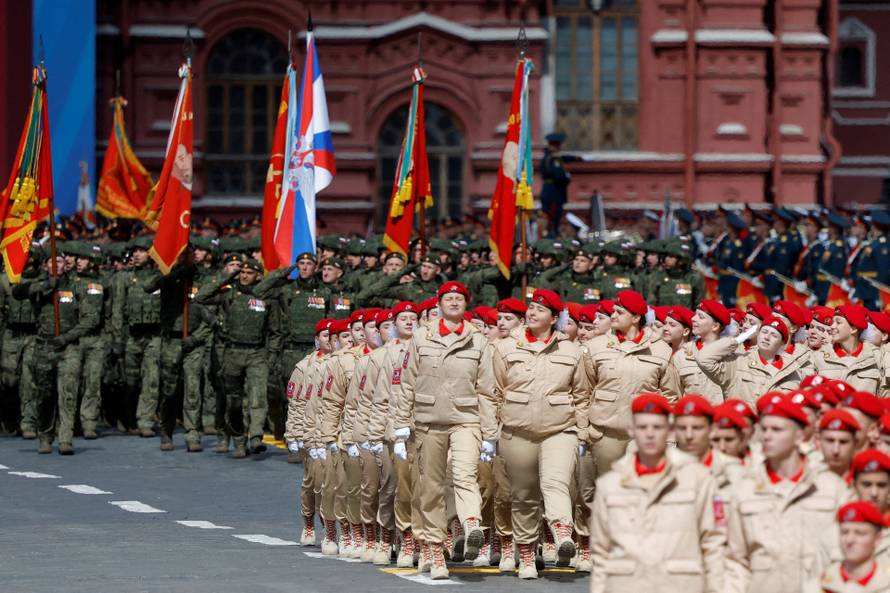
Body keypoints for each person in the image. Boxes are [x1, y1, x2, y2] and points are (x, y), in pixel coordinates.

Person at [393, 281, 497, 579]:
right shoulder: (421, 337)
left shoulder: (478, 340)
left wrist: (490, 434)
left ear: (466, 304)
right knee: (431, 487)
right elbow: (407, 383)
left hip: (466, 418)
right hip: (428, 419)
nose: (453, 302)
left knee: (465, 474)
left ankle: (471, 522)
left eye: (459, 298)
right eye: (448, 298)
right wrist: (400, 425)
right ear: (439, 304)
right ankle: (435, 550)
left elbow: (487, 389)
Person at [490, 289, 590, 578]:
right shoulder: (506, 346)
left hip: (560, 429)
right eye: (531, 307)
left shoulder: (571, 350)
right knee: (523, 494)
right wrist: (491, 432)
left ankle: (562, 532)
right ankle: (526, 555)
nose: (532, 313)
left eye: (540, 310)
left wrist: (582, 432)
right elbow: (494, 391)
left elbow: (581, 394)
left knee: (555, 481)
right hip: (517, 429)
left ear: (554, 318)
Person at [590, 393, 725, 593]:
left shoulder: (699, 479)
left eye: (657, 427)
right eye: (643, 427)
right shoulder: (610, 485)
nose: (650, 434)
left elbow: (713, 544)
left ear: (670, 430)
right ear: (631, 430)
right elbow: (601, 553)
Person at [724, 396, 848, 593]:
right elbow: (736, 560)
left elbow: (845, 553)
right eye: (764, 429)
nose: (767, 436)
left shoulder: (830, 487)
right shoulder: (745, 489)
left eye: (777, 430)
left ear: (799, 436)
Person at [14, 250, 102, 454]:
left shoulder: (76, 286)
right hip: (43, 347)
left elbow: (91, 318)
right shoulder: (38, 287)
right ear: (45, 266)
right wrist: (46, 285)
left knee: (68, 393)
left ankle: (65, 439)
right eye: (52, 261)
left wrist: (68, 337)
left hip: (68, 348)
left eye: (60, 261)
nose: (56, 265)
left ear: (66, 265)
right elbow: (18, 292)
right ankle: (45, 436)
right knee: (44, 395)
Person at [195, 258, 280, 458]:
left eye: (249, 273)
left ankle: (256, 436)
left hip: (257, 354)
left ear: (258, 276)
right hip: (232, 353)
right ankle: (239, 441)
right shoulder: (230, 294)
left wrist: (271, 357)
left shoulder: (267, 298)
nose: (244, 276)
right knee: (234, 402)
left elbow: (275, 331)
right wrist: (228, 276)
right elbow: (200, 297)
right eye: (242, 272)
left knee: (257, 396)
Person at [696, 315, 805, 406]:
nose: (767, 337)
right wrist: (736, 340)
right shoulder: (738, 362)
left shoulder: (792, 371)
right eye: (764, 332)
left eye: (774, 335)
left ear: (782, 343)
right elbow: (704, 359)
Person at [819, 502, 890, 592]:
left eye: (859, 533)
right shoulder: (817, 586)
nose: (849, 540)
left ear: (877, 539)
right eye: (844, 532)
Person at [812, 305, 884, 392]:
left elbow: (883, 393)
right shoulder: (819, 356)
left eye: (838, 322)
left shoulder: (876, 357)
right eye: (833, 322)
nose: (832, 326)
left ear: (853, 329)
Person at [540, 133, 571, 238]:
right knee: (552, 217)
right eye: (557, 145)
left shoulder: (553, 158)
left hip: (554, 192)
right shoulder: (551, 159)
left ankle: (553, 234)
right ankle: (550, 237)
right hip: (553, 193)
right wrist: (567, 177)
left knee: (555, 217)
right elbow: (559, 175)